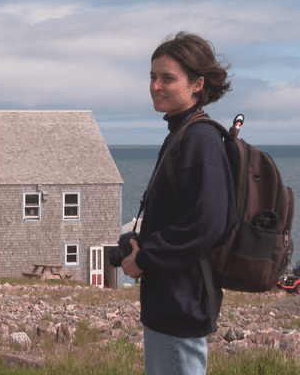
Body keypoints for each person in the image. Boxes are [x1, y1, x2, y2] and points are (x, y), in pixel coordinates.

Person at [122, 32, 237, 375]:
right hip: (171, 299)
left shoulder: (199, 139)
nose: (156, 86)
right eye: (153, 77)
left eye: (167, 78)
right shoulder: (181, 132)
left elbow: (207, 223)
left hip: (180, 303)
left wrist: (144, 258)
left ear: (197, 84)